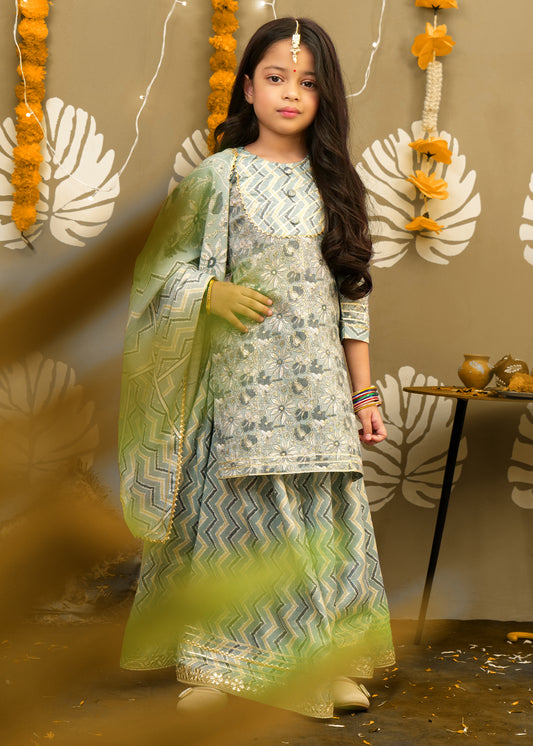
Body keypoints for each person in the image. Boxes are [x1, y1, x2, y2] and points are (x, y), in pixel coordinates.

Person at [118, 17, 394, 720]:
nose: (290, 93)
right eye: (275, 77)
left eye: (306, 82)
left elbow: (351, 301)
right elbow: (157, 274)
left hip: (317, 396)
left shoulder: (337, 185)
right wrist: (207, 292)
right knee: (237, 532)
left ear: (325, 97)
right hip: (236, 395)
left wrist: (363, 393)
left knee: (317, 532)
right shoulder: (218, 177)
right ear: (248, 86)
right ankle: (220, 667)